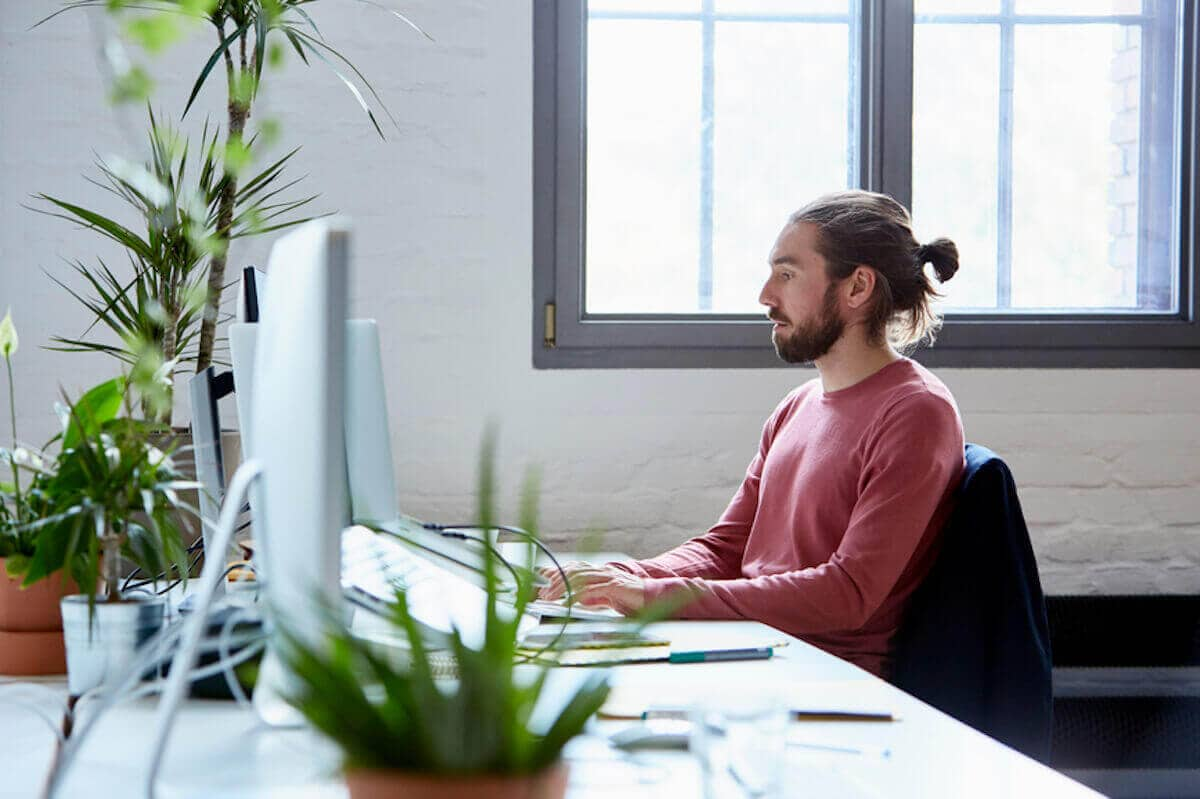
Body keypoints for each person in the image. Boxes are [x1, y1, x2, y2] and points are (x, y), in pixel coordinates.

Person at [540, 190, 967, 678]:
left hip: (825, 677)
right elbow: (726, 549)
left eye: (787, 274)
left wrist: (648, 596)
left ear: (857, 288)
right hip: (752, 648)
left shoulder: (916, 412)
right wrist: (623, 577)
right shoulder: (797, 406)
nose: (766, 296)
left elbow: (848, 593)